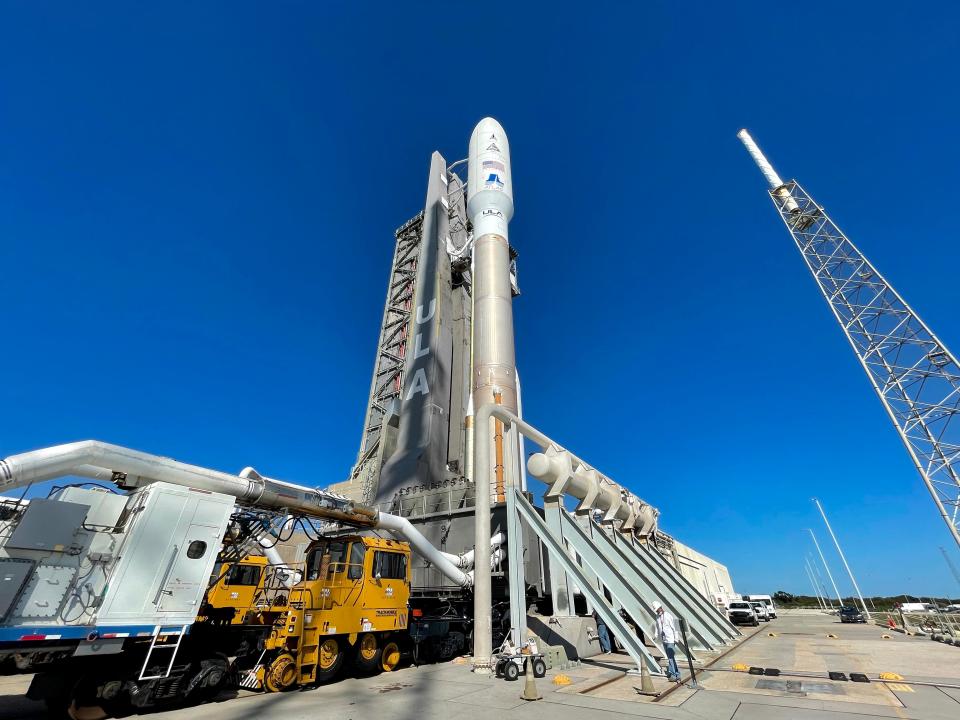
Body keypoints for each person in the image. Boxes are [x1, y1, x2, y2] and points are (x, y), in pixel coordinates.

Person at [652, 601, 681, 682]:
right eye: (657, 610)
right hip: (664, 640)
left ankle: (673, 674)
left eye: (658, 609)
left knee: (671, 658)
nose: (658, 611)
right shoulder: (657, 617)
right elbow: (657, 627)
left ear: (661, 607)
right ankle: (677, 674)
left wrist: (676, 638)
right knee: (670, 658)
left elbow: (674, 628)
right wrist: (656, 635)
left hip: (670, 640)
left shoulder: (668, 616)